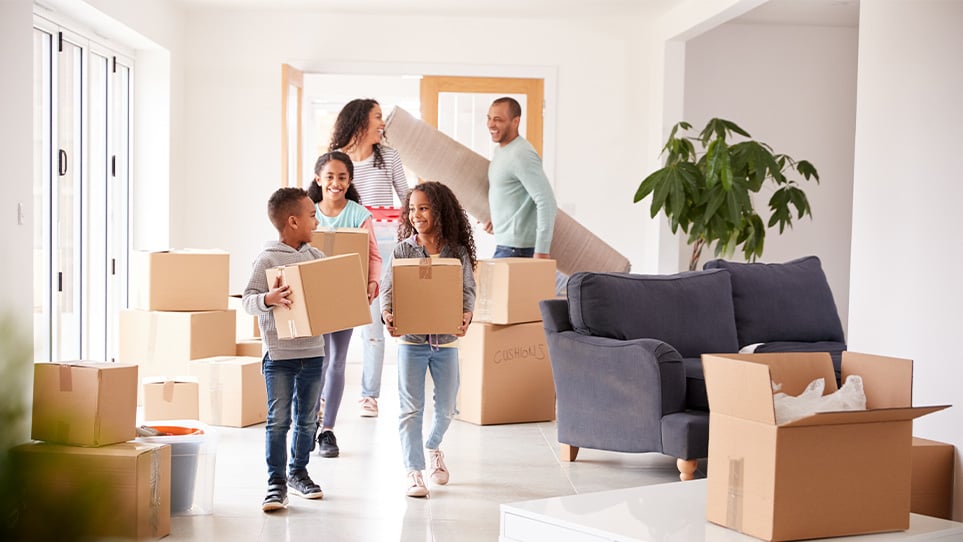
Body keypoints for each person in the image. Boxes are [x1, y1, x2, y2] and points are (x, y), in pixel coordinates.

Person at [379, 181, 477, 498]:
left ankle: (433, 446)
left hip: (446, 341)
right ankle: (414, 471)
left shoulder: (456, 252)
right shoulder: (402, 251)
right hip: (411, 341)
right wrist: (387, 315)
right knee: (410, 409)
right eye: (412, 209)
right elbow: (388, 291)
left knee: (447, 408)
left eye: (423, 208)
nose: (416, 215)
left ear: (440, 211)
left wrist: (467, 315)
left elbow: (468, 292)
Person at [242, 186, 326, 512]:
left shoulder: (316, 257)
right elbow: (248, 299)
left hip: (314, 352)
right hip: (279, 357)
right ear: (293, 221)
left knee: (307, 420)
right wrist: (269, 299)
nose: (316, 221)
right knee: (279, 419)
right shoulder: (267, 259)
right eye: (311, 215)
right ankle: (275, 481)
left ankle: (298, 472)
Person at [330, 98, 411, 418]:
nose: (383, 123)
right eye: (377, 117)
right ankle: (325, 393)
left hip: (384, 247)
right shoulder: (336, 162)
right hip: (346, 246)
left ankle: (369, 395)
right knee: (333, 322)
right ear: (360, 121)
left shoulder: (388, 157)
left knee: (374, 325)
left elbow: (407, 199)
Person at [307, 151, 383, 458]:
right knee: (317, 362)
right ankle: (310, 421)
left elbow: (374, 255)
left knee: (337, 361)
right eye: (330, 177)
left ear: (349, 181)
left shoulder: (358, 214)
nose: (336, 183)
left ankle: (328, 430)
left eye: (342, 177)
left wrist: (372, 284)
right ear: (318, 180)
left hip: (346, 295)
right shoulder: (308, 211)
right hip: (314, 296)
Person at [483, 96, 558, 260]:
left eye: (498, 119)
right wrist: (499, 221)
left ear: (515, 121)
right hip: (506, 245)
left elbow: (547, 201)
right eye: (489, 118)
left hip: (519, 250)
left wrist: (542, 251)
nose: (490, 124)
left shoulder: (521, 154)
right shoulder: (501, 151)